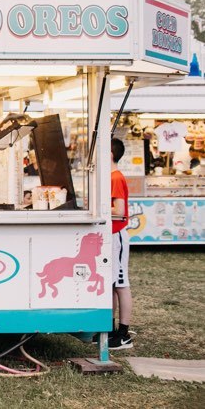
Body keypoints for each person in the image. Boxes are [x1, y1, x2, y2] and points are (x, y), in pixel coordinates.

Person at [110, 138, 133, 350]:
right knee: (111, 285)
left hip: (117, 234)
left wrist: (100, 210)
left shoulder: (116, 177)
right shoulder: (110, 177)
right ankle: (110, 328)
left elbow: (119, 211)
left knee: (120, 283)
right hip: (111, 235)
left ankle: (124, 333)